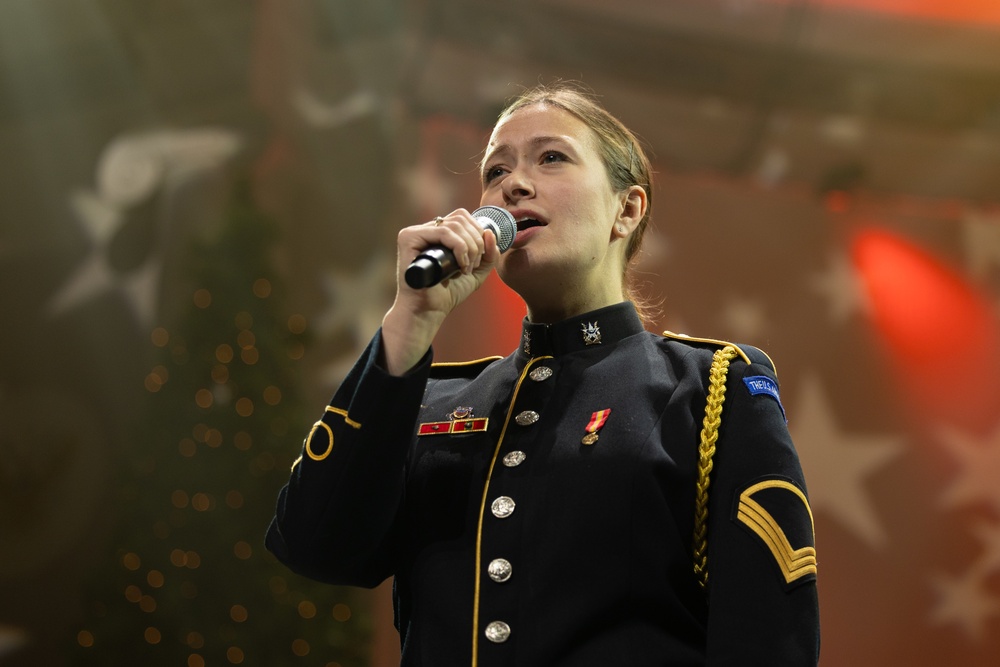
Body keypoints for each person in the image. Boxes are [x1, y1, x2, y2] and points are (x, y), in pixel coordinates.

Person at [266, 83, 820, 666]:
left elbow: (769, 636)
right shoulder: (429, 400)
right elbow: (315, 548)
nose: (513, 184)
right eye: (495, 170)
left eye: (551, 157)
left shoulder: (712, 389)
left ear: (626, 209)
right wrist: (407, 324)